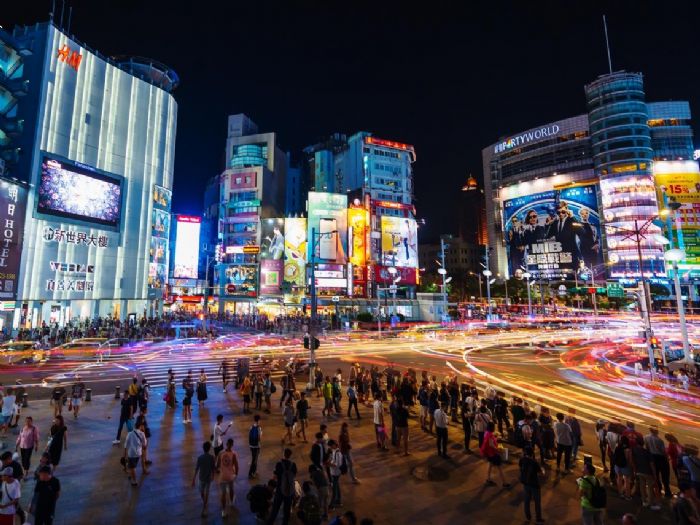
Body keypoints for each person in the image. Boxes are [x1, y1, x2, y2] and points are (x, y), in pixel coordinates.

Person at [630, 436, 661, 510]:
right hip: (647, 472)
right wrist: (654, 474)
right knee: (650, 488)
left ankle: (644, 501)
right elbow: (651, 464)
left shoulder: (633, 450)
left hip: (639, 471)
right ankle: (650, 503)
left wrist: (635, 470)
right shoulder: (646, 452)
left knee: (642, 486)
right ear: (643, 443)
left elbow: (632, 461)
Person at [267, 448, 297, 525]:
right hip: (289, 491)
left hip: (280, 489)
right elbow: (293, 477)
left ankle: (270, 523)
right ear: (290, 455)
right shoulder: (293, 465)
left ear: (284, 454)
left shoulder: (279, 464)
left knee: (275, 509)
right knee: (286, 512)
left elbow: (274, 477)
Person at [645, 426, 672, 498]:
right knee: (665, 476)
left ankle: (658, 489)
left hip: (652, 457)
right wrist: (667, 458)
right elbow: (663, 451)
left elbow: (647, 448)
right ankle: (667, 492)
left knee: (655, 475)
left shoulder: (646, 437)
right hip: (661, 458)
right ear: (656, 431)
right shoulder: (659, 440)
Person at [519, 446, 544, 524]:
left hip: (526, 483)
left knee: (527, 500)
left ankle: (528, 517)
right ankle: (538, 519)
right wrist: (543, 470)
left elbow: (520, 468)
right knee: (537, 502)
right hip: (534, 484)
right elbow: (541, 473)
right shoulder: (534, 462)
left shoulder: (522, 460)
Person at [481, 422, 510, 488]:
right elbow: (491, 444)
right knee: (500, 468)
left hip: (488, 453)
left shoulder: (486, 433)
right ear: (492, 427)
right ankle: (504, 483)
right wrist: (498, 449)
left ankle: (488, 479)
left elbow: (488, 442)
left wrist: (495, 439)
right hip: (493, 454)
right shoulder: (490, 435)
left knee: (490, 465)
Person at [192, 441, 216, 517]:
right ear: (209, 449)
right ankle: (205, 503)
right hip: (208, 478)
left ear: (203, 448)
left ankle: (204, 506)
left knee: (202, 492)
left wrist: (193, 479)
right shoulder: (211, 457)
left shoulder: (200, 458)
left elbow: (196, 469)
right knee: (206, 493)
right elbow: (213, 468)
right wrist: (213, 475)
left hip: (201, 478)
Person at [216, 438, 238, 518]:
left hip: (222, 476)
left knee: (223, 494)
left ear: (226, 444)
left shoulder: (220, 453)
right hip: (230, 476)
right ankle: (231, 503)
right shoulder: (233, 454)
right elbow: (236, 466)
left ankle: (223, 511)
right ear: (232, 445)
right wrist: (236, 474)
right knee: (231, 489)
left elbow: (217, 466)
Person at [123, 419, 147, 487]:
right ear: (140, 427)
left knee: (132, 467)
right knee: (133, 465)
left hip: (131, 453)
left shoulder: (130, 434)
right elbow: (144, 444)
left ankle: (134, 481)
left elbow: (126, 445)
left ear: (134, 426)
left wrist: (124, 454)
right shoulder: (142, 434)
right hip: (139, 453)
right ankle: (131, 474)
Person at [328, 440, 343, 510]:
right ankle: (339, 501)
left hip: (336, 473)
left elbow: (338, 464)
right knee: (337, 487)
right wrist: (330, 462)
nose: (330, 447)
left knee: (334, 489)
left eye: (331, 446)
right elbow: (334, 460)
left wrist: (330, 464)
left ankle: (332, 504)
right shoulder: (334, 451)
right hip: (334, 472)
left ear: (334, 444)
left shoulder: (338, 453)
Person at [248, 414, 262, 479]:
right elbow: (259, 438)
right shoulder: (259, 428)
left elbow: (249, 436)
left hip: (251, 445)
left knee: (254, 458)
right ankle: (251, 473)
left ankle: (255, 471)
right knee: (254, 460)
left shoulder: (251, 426)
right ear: (258, 420)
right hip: (256, 446)